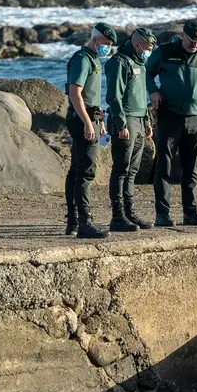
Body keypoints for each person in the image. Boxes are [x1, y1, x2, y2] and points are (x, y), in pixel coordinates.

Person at [145, 18, 197, 227]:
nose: (195, 44)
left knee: (190, 168)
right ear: (182, 36)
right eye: (191, 41)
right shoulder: (165, 52)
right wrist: (153, 91)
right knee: (164, 166)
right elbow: (147, 73)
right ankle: (162, 214)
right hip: (169, 116)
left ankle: (191, 213)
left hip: (195, 118)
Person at [64, 22, 117, 239]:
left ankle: (73, 221)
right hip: (81, 118)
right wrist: (87, 122)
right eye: (105, 43)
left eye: (110, 45)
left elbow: (91, 95)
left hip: (92, 116)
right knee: (85, 171)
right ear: (95, 40)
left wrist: (99, 121)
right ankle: (84, 222)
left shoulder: (94, 59)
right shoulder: (82, 59)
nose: (108, 47)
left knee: (76, 169)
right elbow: (75, 93)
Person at [106, 27, 157, 232]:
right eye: (148, 47)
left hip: (138, 120)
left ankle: (129, 211)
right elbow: (114, 97)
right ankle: (117, 216)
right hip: (125, 121)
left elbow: (141, 97)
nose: (150, 51)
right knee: (121, 169)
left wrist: (147, 122)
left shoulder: (140, 63)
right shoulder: (119, 63)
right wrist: (120, 124)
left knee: (132, 170)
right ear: (138, 45)